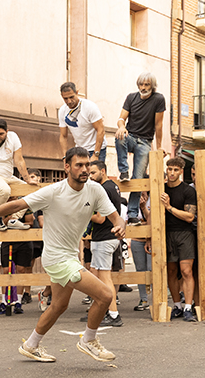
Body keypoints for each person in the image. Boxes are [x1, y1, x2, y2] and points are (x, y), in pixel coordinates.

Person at [0, 147, 125, 364]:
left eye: (87, 165)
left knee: (58, 306)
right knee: (105, 295)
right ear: (67, 167)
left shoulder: (95, 190)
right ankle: (88, 340)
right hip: (57, 259)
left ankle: (30, 345)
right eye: (79, 165)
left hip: (70, 257)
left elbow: (115, 217)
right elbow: (17, 204)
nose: (85, 169)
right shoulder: (53, 192)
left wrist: (120, 226)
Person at [114, 72, 166, 201]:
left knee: (138, 179)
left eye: (146, 85)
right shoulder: (131, 97)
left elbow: (158, 125)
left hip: (145, 142)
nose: (143, 87)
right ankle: (124, 171)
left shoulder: (158, 99)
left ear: (152, 86)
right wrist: (121, 127)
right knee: (120, 135)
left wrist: (159, 147)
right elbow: (121, 118)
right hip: (130, 136)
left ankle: (132, 211)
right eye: (141, 84)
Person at [87, 161, 124, 327]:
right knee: (97, 275)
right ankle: (101, 312)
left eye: (93, 173)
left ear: (103, 171)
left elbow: (101, 218)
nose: (90, 176)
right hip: (105, 237)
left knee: (104, 277)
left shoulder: (105, 189)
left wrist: (83, 212)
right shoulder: (113, 186)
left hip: (104, 238)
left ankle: (114, 315)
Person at [161, 157, 197, 322]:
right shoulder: (161, 189)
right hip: (166, 233)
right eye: (170, 169)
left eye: (176, 170)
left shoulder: (188, 190)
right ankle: (177, 306)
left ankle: (188, 307)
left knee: (186, 271)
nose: (172, 173)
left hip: (184, 233)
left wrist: (169, 207)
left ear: (181, 171)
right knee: (171, 271)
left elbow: (189, 216)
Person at [58, 82, 105, 159]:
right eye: (65, 98)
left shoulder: (90, 107)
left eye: (71, 97)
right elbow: (63, 136)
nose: (69, 101)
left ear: (77, 93)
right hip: (79, 150)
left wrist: (96, 154)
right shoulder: (62, 111)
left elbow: (101, 130)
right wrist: (65, 156)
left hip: (95, 148)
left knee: (94, 167)